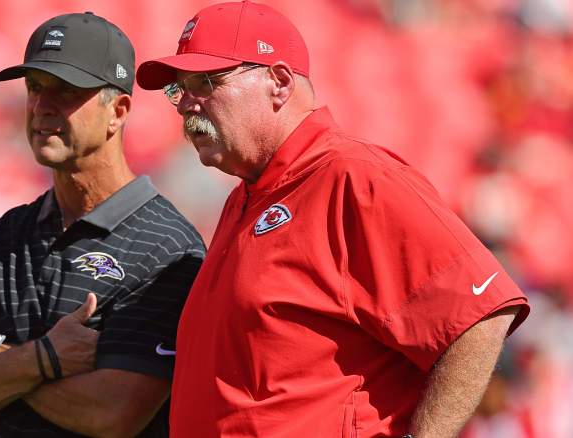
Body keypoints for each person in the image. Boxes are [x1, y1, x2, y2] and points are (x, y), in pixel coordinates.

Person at [136, 1, 530, 437]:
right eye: (179, 89)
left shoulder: (356, 178)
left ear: (279, 82)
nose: (186, 104)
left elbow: (478, 317)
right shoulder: (247, 195)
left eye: (205, 82)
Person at [0, 12, 205, 438]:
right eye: (35, 88)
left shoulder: (168, 248)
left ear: (119, 111)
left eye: (67, 91)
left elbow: (112, 413)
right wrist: (44, 359)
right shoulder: (11, 231)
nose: (42, 106)